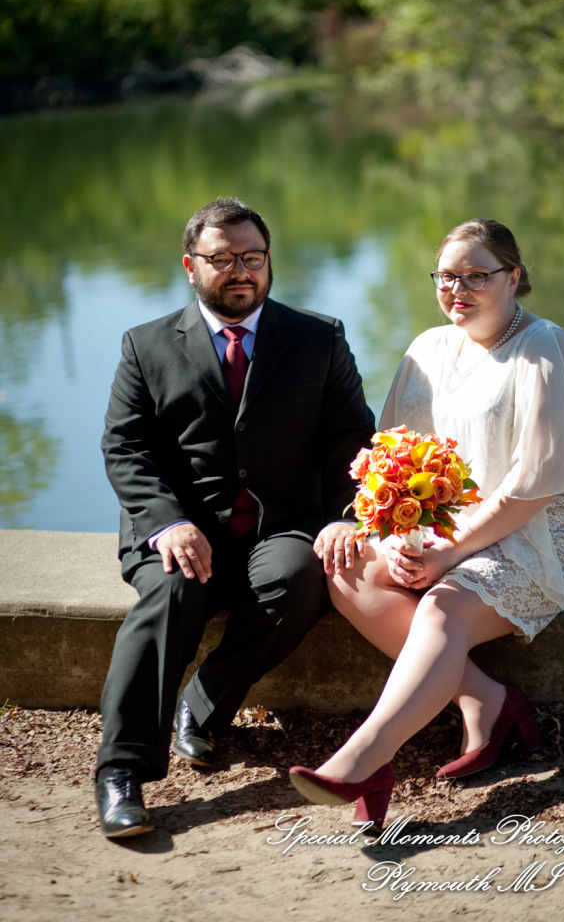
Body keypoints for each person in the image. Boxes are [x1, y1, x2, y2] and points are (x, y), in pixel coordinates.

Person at [290, 218, 564, 831]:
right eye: (447, 276)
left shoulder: (544, 348)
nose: (459, 289)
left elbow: (538, 484)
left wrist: (446, 554)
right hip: (455, 534)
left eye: (478, 275)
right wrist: (400, 537)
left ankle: (366, 758)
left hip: (551, 535)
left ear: (515, 278)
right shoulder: (427, 349)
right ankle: (488, 697)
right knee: (347, 570)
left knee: (441, 609)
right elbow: (392, 462)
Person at [96, 197, 375, 839]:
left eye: (252, 257)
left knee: (306, 573)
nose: (240, 271)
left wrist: (343, 516)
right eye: (222, 259)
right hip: (179, 529)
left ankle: (205, 703)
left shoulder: (318, 336)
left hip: (279, 527)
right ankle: (122, 774)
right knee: (168, 594)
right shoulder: (145, 345)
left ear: (269, 261)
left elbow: (352, 440)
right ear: (191, 266)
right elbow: (125, 446)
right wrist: (166, 520)